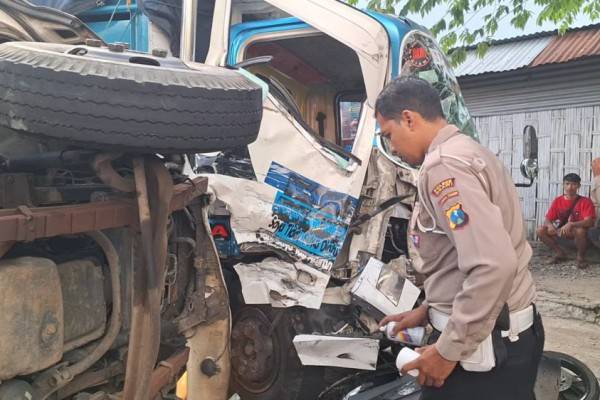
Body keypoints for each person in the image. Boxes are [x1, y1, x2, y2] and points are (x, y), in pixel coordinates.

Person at [375, 77, 544, 400]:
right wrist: (427, 309)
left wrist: (447, 351)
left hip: (483, 348)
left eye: (389, 136)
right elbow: (459, 256)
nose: (392, 148)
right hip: (502, 335)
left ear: (409, 118)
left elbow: (491, 265)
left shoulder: (444, 167)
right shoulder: (469, 151)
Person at [536, 173, 596, 267]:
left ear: (578, 186)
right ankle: (560, 253)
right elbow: (548, 218)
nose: (570, 187)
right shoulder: (558, 200)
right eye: (567, 184)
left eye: (573, 184)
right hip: (563, 232)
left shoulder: (585, 201)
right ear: (563, 185)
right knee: (540, 230)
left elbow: (589, 221)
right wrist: (550, 225)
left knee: (579, 230)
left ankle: (580, 257)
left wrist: (572, 224)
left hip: (580, 236)